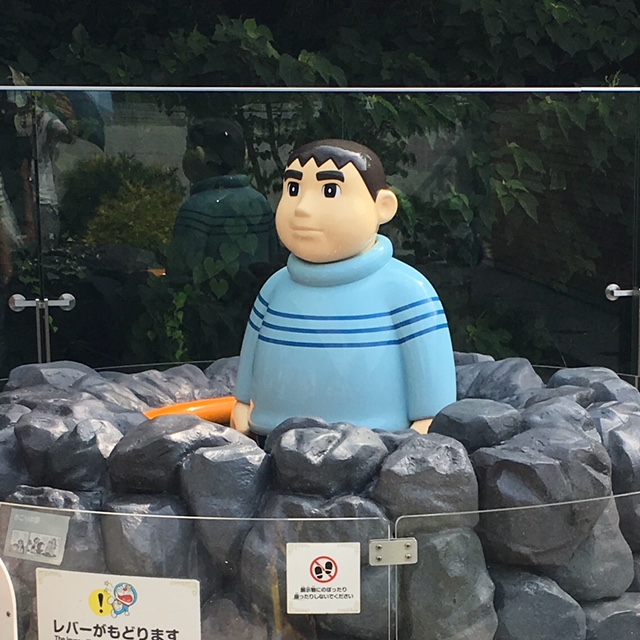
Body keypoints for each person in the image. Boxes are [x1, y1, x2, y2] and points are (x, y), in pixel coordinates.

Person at [231, 139, 456, 439]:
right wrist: (243, 402)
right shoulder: (275, 288)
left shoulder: (406, 291)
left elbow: (431, 372)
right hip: (273, 433)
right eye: (294, 189)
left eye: (330, 191)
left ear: (383, 207)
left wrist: (428, 420)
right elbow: (250, 356)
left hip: (377, 440)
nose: (302, 209)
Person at [169, 118, 277, 278]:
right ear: (245, 156)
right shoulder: (259, 202)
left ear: (199, 154)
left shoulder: (196, 208)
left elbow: (180, 272)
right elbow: (274, 259)